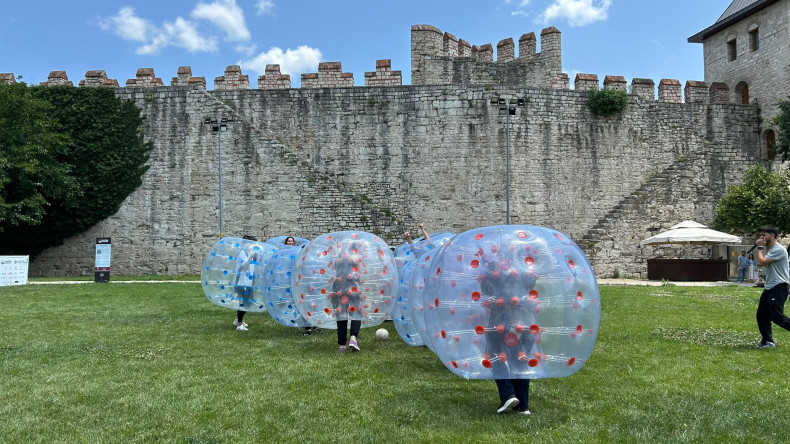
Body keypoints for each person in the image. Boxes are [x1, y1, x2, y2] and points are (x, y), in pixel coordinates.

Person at [479, 251, 534, 415]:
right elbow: (531, 285)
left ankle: (508, 394)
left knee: (494, 355)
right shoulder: (524, 269)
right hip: (525, 322)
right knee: (520, 358)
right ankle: (523, 406)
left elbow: (486, 289)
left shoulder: (493, 270)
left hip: (501, 322)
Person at [754, 225, 790, 348]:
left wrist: (759, 248)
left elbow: (760, 262)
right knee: (762, 315)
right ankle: (768, 341)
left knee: (777, 316)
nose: (761, 238)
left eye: (764, 235)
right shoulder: (770, 249)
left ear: (772, 236)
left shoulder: (778, 249)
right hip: (770, 287)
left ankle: (768, 341)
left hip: (779, 286)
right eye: (761, 235)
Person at [332, 242, 363, 352]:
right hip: (351, 287)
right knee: (356, 312)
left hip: (338, 287)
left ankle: (342, 345)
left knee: (341, 314)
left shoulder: (336, 259)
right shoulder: (356, 258)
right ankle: (353, 338)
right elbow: (360, 275)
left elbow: (332, 274)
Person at [232, 235, 259, 331]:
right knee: (244, 303)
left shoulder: (250, 253)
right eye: (252, 244)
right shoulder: (243, 253)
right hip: (241, 282)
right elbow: (244, 267)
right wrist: (251, 256)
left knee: (249, 302)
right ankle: (239, 324)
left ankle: (238, 320)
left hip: (248, 282)